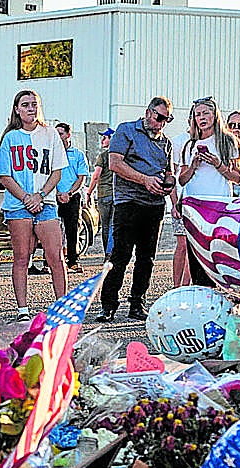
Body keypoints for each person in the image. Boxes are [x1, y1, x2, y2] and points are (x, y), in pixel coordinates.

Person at [97, 96, 176, 323]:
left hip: (154, 205)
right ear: (148, 112)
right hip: (128, 202)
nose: (161, 123)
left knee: (147, 258)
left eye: (166, 119)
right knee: (120, 255)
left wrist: (169, 183)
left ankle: (137, 304)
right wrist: (144, 180)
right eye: (159, 117)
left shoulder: (166, 143)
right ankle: (108, 305)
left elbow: (168, 171)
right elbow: (115, 163)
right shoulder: (126, 130)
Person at [0, 89, 67, 320]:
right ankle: (23, 310)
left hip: (45, 203)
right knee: (21, 256)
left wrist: (40, 195)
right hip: (18, 206)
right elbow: (4, 175)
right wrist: (26, 197)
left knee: (55, 255)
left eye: (34, 104)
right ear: (17, 109)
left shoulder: (50, 134)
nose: (30, 108)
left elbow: (57, 171)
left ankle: (62, 307)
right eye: (25, 104)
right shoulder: (10, 137)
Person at [171, 97, 240, 287]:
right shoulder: (189, 144)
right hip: (194, 208)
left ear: (215, 115)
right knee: (195, 257)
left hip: (218, 208)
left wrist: (217, 164)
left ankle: (218, 295)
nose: (201, 117)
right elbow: (182, 180)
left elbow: (237, 177)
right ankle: (199, 296)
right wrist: (194, 165)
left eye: (206, 113)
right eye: (198, 114)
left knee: (218, 255)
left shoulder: (228, 141)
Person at [54, 122, 89, 273]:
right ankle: (50, 261)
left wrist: (69, 193)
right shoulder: (52, 154)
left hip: (72, 197)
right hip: (53, 196)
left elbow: (81, 178)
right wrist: (55, 192)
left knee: (72, 229)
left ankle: (73, 261)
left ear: (68, 135)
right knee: (52, 230)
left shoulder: (78, 155)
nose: (58, 137)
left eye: (60, 133)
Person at [85, 127, 115, 257]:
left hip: (104, 195)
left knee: (106, 226)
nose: (102, 140)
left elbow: (96, 176)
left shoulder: (103, 156)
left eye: (105, 137)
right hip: (118, 195)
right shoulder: (121, 156)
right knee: (115, 226)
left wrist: (89, 192)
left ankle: (107, 254)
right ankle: (113, 252)